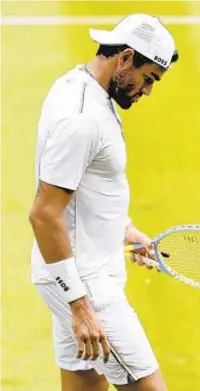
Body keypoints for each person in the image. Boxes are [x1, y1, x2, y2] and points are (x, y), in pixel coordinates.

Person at [29, 13, 178, 391]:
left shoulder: (81, 88)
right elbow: (44, 214)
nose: (147, 92)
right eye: (148, 79)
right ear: (125, 58)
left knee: (84, 384)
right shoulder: (83, 119)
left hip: (75, 275)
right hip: (87, 286)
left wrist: (123, 231)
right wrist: (80, 307)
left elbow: (85, 187)